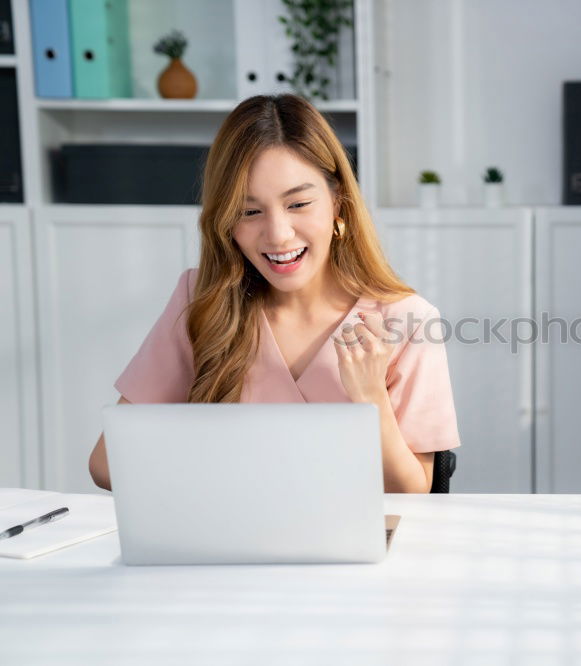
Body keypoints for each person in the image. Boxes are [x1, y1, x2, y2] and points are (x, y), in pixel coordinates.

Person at [88, 94, 461, 493]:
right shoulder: (200, 300)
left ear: (338, 203)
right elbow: (107, 463)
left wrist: (372, 399)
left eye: (298, 203)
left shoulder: (407, 319)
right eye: (250, 212)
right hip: (229, 542)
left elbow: (414, 493)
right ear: (225, 222)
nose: (278, 234)